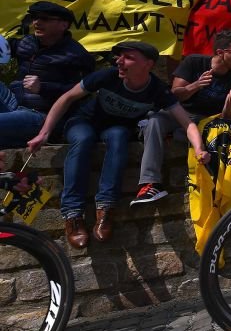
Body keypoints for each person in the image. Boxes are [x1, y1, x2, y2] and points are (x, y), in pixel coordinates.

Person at [26, 41, 210, 248]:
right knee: (83, 139)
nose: (119, 62)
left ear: (148, 64)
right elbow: (67, 98)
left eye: (128, 57)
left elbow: (187, 123)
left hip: (115, 129)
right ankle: (72, 213)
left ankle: (105, 208)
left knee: (119, 136)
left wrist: (199, 149)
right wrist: (44, 133)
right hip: (84, 122)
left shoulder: (157, 90)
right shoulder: (107, 76)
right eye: (119, 57)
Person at [134, 30, 231, 205]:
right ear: (220, 52)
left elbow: (227, 117)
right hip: (180, 113)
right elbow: (174, 95)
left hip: (206, 121)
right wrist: (196, 85)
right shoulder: (194, 62)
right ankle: (150, 183)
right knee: (155, 121)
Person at [0, 3, 93, 150]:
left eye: (44, 19)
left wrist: (43, 88)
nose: (37, 22)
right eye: (34, 17)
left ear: (63, 25)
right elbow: (6, 47)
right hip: (13, 101)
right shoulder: (27, 42)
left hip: (39, 115)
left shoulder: (76, 55)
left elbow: (82, 93)